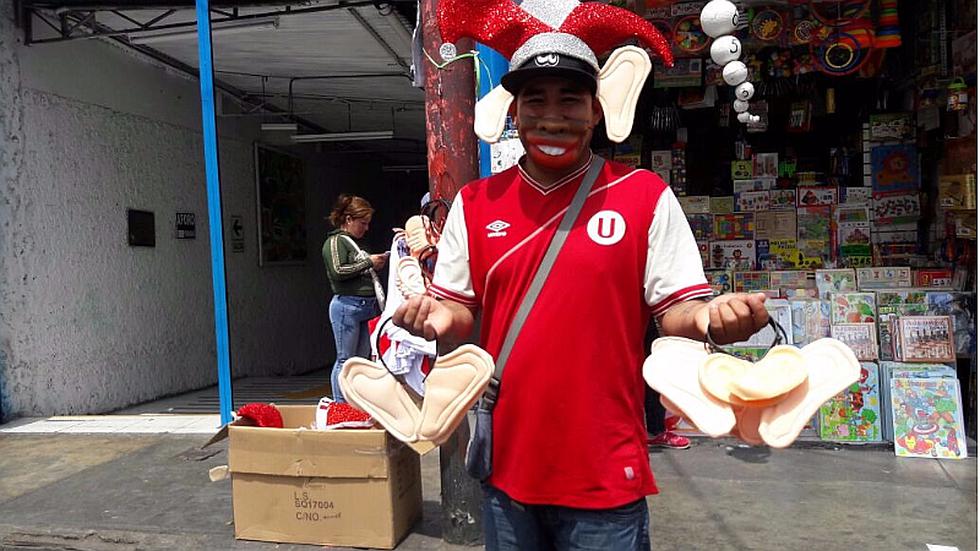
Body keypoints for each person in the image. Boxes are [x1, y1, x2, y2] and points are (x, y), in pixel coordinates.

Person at [393, 1, 771, 548]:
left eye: (570, 99)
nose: (552, 116)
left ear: (596, 110)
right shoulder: (476, 204)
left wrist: (715, 317)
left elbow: (677, 311)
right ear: (513, 112)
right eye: (535, 100)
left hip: (605, 474)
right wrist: (430, 316)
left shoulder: (643, 196)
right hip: (507, 470)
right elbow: (458, 312)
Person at [323, 194, 387, 403]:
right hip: (347, 306)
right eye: (363, 223)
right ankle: (340, 405)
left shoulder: (352, 242)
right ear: (348, 219)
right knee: (345, 359)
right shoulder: (335, 241)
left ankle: (356, 403)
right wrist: (369, 262)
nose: (366, 228)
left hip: (365, 307)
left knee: (359, 361)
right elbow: (338, 270)